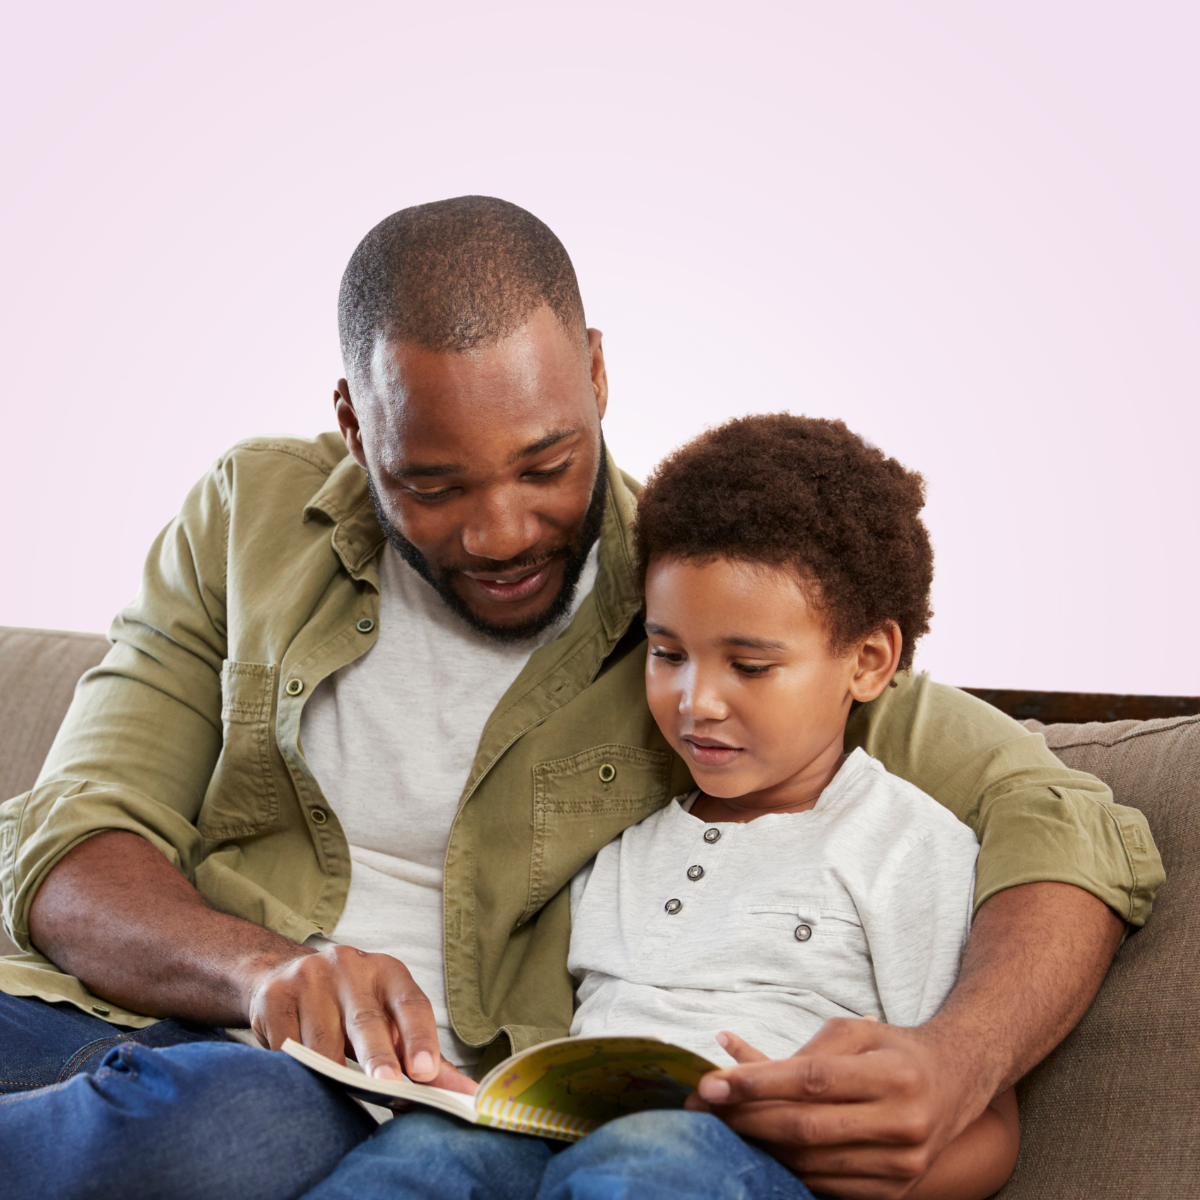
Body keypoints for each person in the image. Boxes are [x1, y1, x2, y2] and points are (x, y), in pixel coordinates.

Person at [0, 196, 1161, 1200]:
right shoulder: (252, 515)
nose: (503, 531)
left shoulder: (699, 603)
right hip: (91, 1012)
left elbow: (1060, 817)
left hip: (310, 1105)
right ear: (355, 427)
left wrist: (958, 1063)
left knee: (232, 1127)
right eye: (433, 483)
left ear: (599, 375)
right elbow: (73, 842)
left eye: (549, 464)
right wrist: (259, 971)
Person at [299, 413, 1020, 1200]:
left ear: (868, 661)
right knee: (427, 1151)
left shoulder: (907, 845)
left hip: (749, 1167)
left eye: (748, 665)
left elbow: (988, 1133)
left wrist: (848, 1162)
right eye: (667, 653)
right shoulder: (620, 840)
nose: (695, 701)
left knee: (652, 1159)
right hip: (570, 1144)